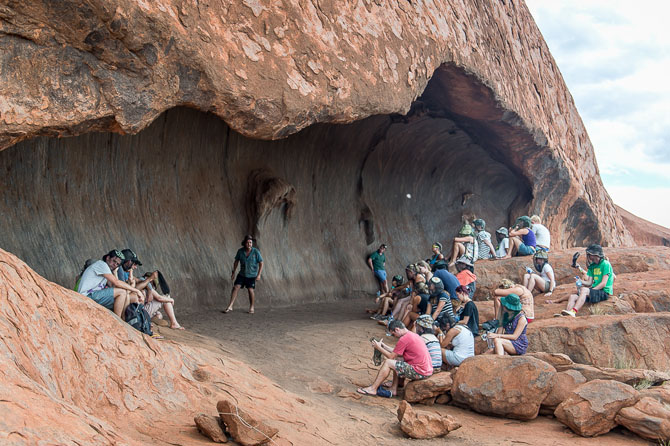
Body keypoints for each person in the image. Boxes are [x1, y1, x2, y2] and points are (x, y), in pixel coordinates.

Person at [357, 320, 433, 397]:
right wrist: (383, 346)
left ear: (397, 329)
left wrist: (379, 348)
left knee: (388, 362)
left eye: (394, 334)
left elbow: (390, 356)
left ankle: (373, 389)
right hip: (426, 370)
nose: (395, 336)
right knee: (397, 360)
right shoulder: (412, 335)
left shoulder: (404, 339)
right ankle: (394, 388)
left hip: (419, 371)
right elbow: (396, 352)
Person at [76, 250, 144, 318]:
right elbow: (116, 283)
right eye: (114, 261)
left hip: (93, 295)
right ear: (108, 258)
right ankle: (118, 320)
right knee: (122, 292)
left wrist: (115, 273)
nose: (115, 264)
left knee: (123, 296)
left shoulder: (107, 270)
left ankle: (124, 320)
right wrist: (136, 290)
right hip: (86, 295)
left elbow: (114, 286)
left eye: (117, 264)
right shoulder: (102, 265)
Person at [560, 244, 613, 317]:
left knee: (584, 290)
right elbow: (589, 283)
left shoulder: (605, 264)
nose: (589, 257)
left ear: (595, 254)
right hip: (595, 290)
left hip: (603, 292)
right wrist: (580, 281)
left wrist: (591, 291)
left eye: (590, 254)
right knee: (573, 296)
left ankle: (574, 311)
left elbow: (603, 283)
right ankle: (568, 313)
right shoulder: (592, 266)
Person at [223, 235, 264, 314]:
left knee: (250, 290)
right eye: (248, 243)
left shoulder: (256, 252)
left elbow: (261, 263)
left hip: (252, 275)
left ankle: (252, 307)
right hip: (242, 274)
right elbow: (236, 262)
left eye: (251, 243)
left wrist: (259, 275)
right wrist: (233, 272)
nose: (249, 244)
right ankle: (230, 306)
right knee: (235, 287)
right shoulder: (240, 251)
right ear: (244, 243)